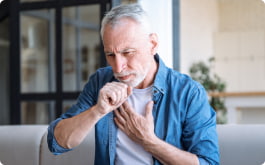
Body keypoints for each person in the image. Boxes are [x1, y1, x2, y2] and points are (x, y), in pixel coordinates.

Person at [47, 3, 219, 165]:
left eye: (127, 52)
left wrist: (149, 141)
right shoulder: (100, 81)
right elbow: (57, 142)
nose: (118, 67)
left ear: (152, 44)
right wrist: (97, 111)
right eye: (110, 55)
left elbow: (207, 162)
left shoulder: (188, 93)